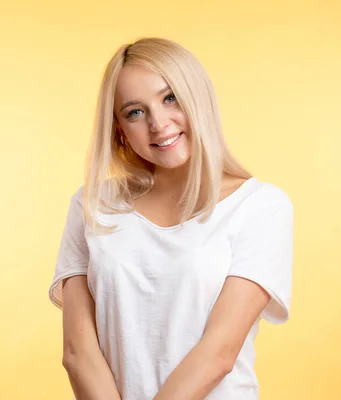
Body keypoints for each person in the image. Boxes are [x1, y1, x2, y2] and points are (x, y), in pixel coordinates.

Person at [48, 37, 294, 400]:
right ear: (119, 129)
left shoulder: (260, 206)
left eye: (170, 97)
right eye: (135, 111)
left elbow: (219, 354)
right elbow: (77, 353)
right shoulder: (92, 205)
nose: (158, 123)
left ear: (198, 97)